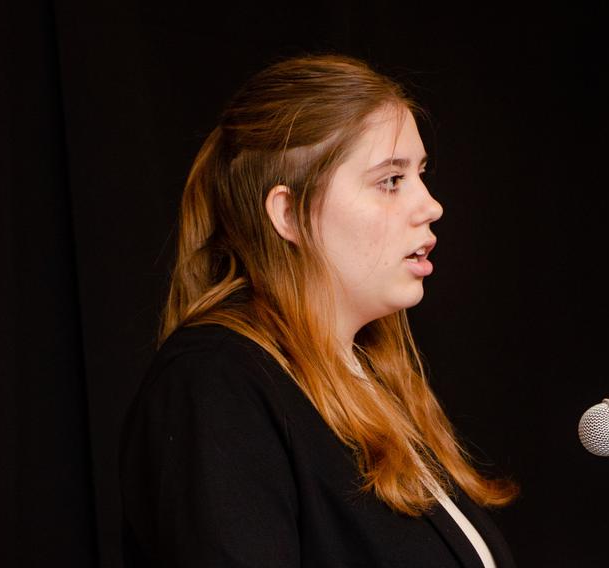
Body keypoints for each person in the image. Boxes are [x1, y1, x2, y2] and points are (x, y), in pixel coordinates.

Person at [119, 53, 520, 567]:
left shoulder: (367, 380)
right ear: (288, 213)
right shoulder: (216, 384)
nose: (430, 205)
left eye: (420, 173)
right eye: (391, 180)